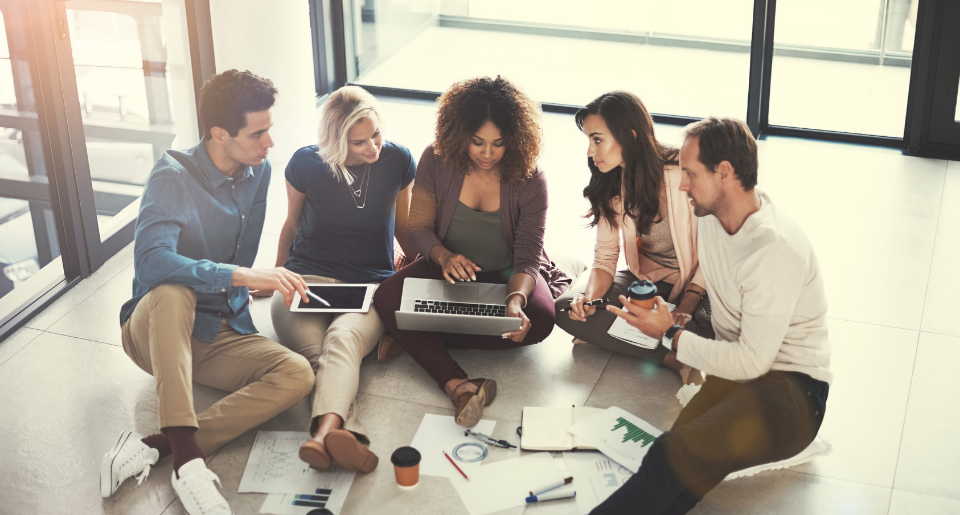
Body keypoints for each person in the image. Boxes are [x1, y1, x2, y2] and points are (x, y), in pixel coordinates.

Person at [592, 117, 831, 514]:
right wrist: (672, 315)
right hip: (738, 376)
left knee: (677, 452)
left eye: (689, 173)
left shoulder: (774, 249)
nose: (682, 184)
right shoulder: (713, 219)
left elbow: (754, 361)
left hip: (793, 393)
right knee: (678, 465)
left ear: (725, 173)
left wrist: (670, 334)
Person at [100, 70, 314, 515]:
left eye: (269, 129)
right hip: (156, 329)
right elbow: (151, 264)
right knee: (172, 289)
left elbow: (240, 253)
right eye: (258, 133)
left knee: (298, 374)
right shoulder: (172, 176)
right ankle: (190, 465)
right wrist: (241, 276)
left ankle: (159, 445)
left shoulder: (259, 171)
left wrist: (263, 281)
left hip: (220, 330)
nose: (269, 142)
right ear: (219, 133)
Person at [372, 76, 570, 427]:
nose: (487, 154)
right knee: (387, 297)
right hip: (447, 266)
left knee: (541, 320)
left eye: (498, 143)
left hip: (508, 271)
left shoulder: (530, 179)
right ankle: (458, 384)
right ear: (459, 133)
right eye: (477, 142)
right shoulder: (436, 160)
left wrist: (516, 301)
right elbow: (419, 228)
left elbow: (527, 256)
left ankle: (415, 335)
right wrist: (444, 256)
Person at [262, 86, 416, 472]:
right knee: (318, 358)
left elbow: (404, 228)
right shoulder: (306, 164)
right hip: (305, 278)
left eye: (376, 135)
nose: (373, 148)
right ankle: (345, 433)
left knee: (342, 340)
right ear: (334, 139)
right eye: (359, 142)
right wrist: (275, 274)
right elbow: (292, 224)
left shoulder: (398, 160)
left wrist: (422, 269)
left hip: (369, 284)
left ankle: (321, 436)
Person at [555, 91, 713, 387]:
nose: (590, 151)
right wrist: (590, 300)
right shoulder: (610, 181)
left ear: (629, 136)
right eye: (589, 140)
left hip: (702, 286)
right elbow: (604, 258)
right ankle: (673, 358)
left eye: (597, 140)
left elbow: (717, 251)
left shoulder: (685, 171)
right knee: (566, 309)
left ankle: (622, 338)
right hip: (647, 285)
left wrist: (686, 307)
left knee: (719, 333)